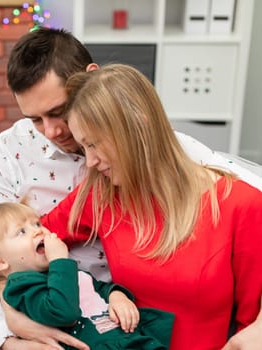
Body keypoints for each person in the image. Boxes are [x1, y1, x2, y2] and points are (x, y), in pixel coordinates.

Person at [0, 28, 262, 350]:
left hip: (105, 316)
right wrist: (8, 323)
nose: (53, 134)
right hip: (36, 297)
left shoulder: (173, 164)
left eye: (60, 113)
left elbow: (225, 190)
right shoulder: (42, 167)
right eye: (35, 120)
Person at [33, 64, 262, 349]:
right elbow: (29, 242)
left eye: (94, 145)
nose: (89, 161)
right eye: (84, 148)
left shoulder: (241, 204)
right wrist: (14, 315)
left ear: (138, 127)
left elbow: (252, 326)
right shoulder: (102, 194)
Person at [0, 201, 174, 349]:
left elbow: (98, 288)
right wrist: (61, 261)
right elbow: (62, 312)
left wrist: (117, 295)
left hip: (130, 339)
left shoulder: (63, 271)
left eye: (37, 224)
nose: (38, 230)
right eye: (22, 232)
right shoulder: (21, 286)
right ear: (0, 261)